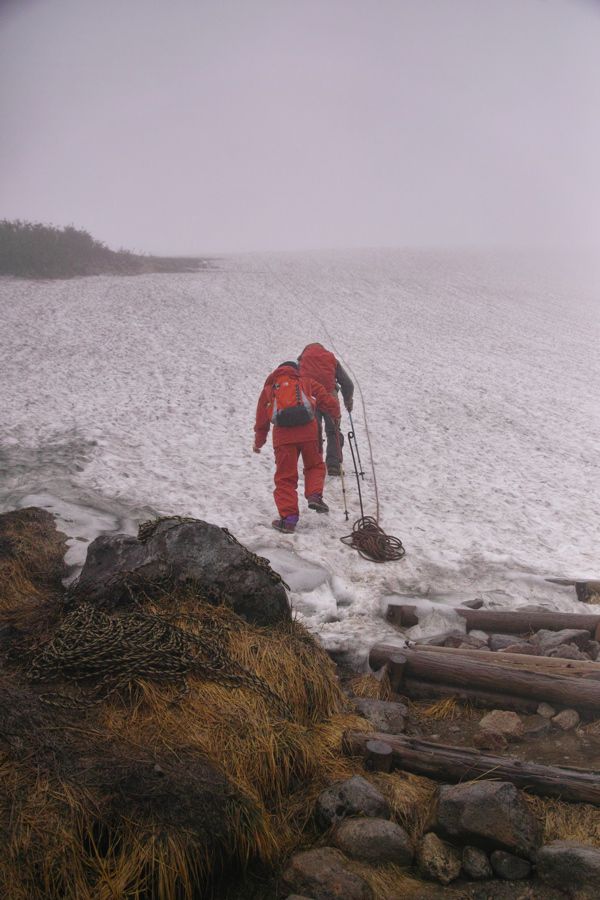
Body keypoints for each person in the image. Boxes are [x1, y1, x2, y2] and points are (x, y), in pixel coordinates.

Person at [253, 360, 341, 533]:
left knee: (285, 477)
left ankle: (289, 519)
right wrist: (335, 414)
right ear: (296, 370)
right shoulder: (305, 382)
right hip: (309, 433)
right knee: (314, 466)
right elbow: (324, 397)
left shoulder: (270, 389)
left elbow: (261, 419)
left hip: (283, 438)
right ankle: (314, 495)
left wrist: (258, 442)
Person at [298, 342, 354, 475]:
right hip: (330, 398)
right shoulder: (330, 358)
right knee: (333, 430)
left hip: (310, 399)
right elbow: (348, 384)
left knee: (314, 431)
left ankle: (314, 465)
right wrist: (348, 401)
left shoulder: (302, 360)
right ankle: (333, 465)